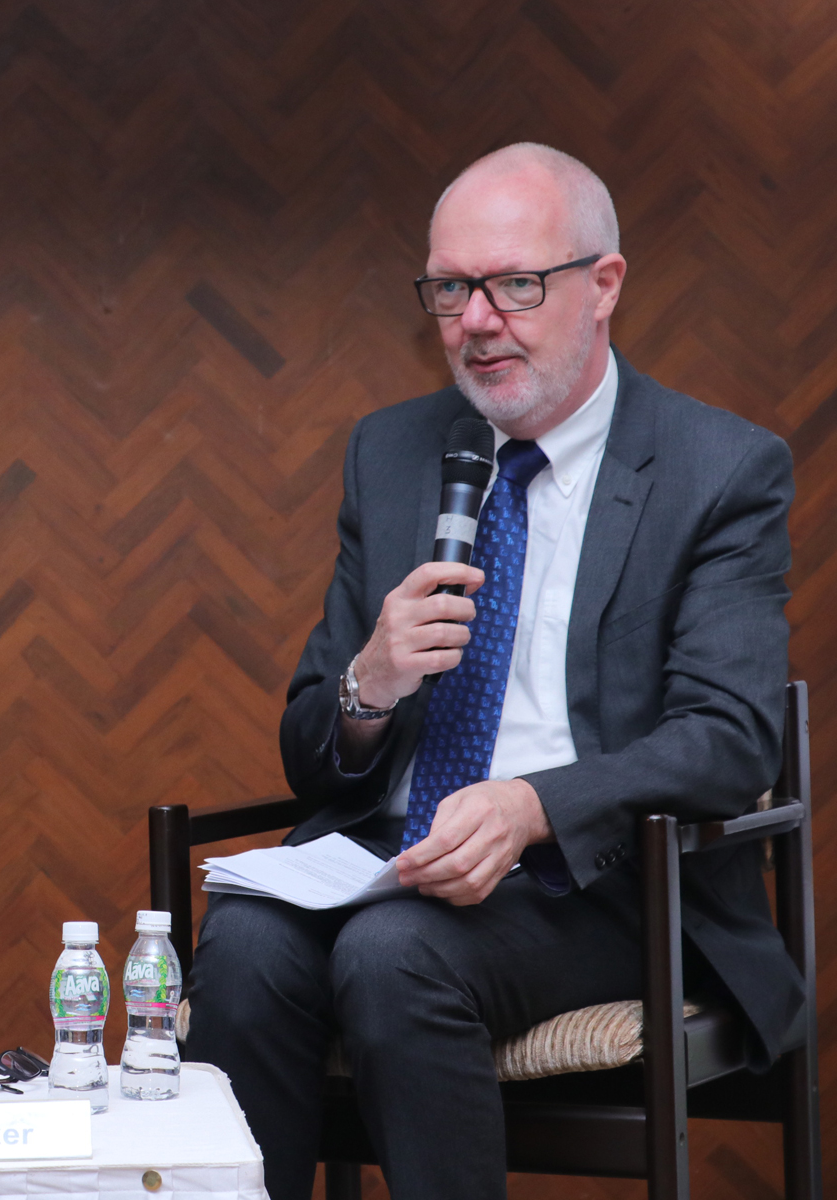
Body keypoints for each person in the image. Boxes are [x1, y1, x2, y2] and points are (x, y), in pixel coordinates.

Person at [183, 144, 803, 1199]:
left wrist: (531, 806)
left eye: (515, 285)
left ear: (603, 285)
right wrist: (370, 683)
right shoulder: (390, 451)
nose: (475, 321)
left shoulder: (716, 468)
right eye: (449, 290)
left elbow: (729, 736)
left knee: (391, 957)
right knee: (242, 947)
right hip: (393, 860)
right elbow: (309, 746)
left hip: (604, 884)